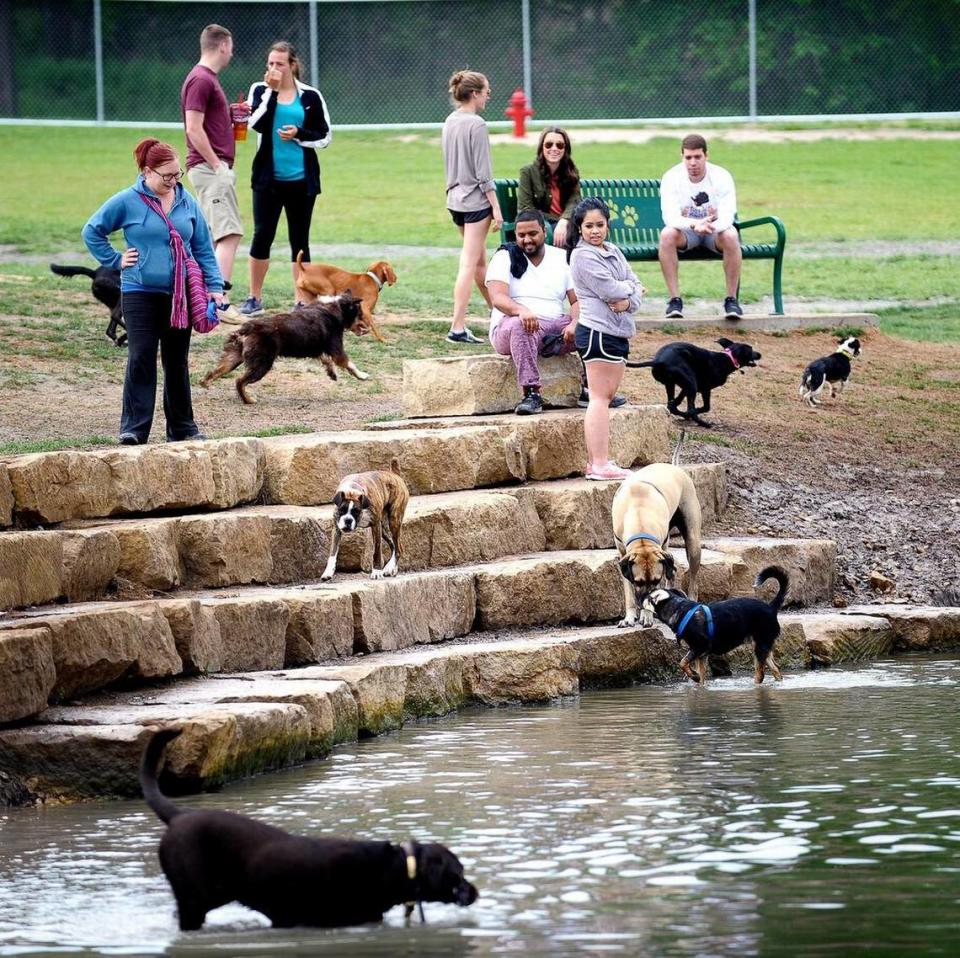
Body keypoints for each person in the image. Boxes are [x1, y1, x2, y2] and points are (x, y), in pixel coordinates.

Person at [82, 138, 223, 445]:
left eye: (177, 174)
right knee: (141, 355)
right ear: (147, 171)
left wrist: (214, 287)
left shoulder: (187, 203)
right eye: (166, 176)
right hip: (139, 291)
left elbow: (202, 247)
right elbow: (92, 230)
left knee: (177, 360)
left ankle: (183, 427)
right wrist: (115, 259)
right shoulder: (127, 200)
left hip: (180, 295)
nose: (173, 181)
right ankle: (134, 428)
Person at [240, 41, 332, 315]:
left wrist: (299, 134)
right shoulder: (260, 90)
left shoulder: (310, 96)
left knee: (299, 240)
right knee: (262, 236)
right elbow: (255, 123)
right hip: (267, 181)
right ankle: (254, 298)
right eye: (270, 63)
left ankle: (303, 301)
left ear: (292, 65)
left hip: (302, 182)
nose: (274, 68)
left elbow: (325, 136)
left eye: (280, 64)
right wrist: (271, 91)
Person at [566, 197, 645, 481]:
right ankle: (599, 464)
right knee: (599, 399)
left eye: (600, 225)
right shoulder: (583, 256)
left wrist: (629, 299)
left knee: (606, 397)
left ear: (608, 225)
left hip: (617, 331)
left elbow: (634, 286)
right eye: (589, 226)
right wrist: (628, 292)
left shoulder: (612, 250)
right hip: (599, 332)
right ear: (580, 227)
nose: (595, 231)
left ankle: (598, 462)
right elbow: (612, 290)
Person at [181, 23, 246, 323]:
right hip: (210, 167)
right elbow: (193, 129)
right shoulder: (200, 80)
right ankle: (219, 301)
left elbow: (205, 124)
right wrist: (218, 166)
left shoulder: (208, 80)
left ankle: (204, 296)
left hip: (214, 166)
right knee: (229, 233)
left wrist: (230, 116)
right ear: (222, 46)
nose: (232, 52)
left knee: (216, 235)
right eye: (230, 47)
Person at [485, 210, 578, 415]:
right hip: (513, 326)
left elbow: (577, 300)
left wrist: (575, 322)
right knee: (521, 325)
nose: (527, 240)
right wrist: (521, 310)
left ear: (545, 231)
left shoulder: (562, 258)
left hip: (554, 327)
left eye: (533, 234)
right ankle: (531, 393)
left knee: (593, 324)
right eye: (521, 235)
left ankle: (590, 387)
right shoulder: (504, 257)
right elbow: (498, 298)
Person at [442, 69, 503, 345]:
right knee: (468, 264)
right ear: (475, 94)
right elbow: (484, 174)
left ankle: (498, 313)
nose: (488, 97)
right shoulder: (476, 124)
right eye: (486, 91)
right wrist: (497, 209)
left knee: (479, 263)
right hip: (475, 203)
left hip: (454, 200)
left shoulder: (450, 121)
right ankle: (457, 327)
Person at [658, 133, 743, 320]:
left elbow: (728, 213)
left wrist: (711, 226)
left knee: (731, 236)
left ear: (706, 155)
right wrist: (695, 224)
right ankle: (675, 301)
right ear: (682, 157)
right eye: (688, 157)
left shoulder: (721, 176)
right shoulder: (672, 177)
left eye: (698, 157)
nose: (693, 163)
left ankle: (731, 300)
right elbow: (670, 217)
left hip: (715, 231)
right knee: (666, 235)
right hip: (688, 232)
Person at [517, 127, 582, 249]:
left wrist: (563, 221)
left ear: (565, 149)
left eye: (560, 145)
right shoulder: (528, 172)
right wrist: (551, 222)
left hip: (565, 223)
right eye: (548, 144)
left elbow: (575, 200)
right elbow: (525, 207)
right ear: (541, 148)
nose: (554, 149)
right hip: (542, 224)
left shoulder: (571, 172)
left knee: (591, 231)